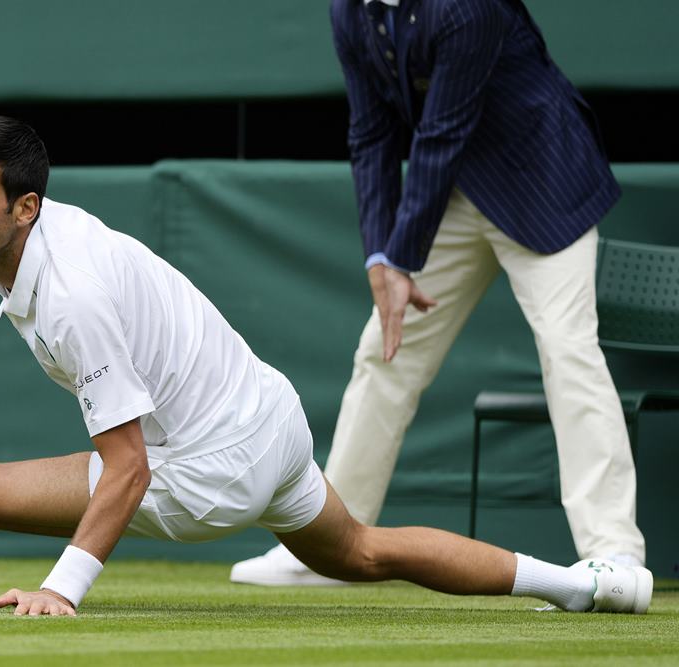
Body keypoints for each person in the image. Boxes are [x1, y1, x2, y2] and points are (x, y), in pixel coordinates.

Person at [0, 115, 651, 616]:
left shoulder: (72, 297)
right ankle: (592, 586)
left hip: (210, 461)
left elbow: (126, 470)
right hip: (267, 418)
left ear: (24, 208)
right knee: (368, 553)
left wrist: (66, 585)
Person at [231, 0, 646, 587]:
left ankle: (615, 552)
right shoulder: (350, 11)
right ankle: (328, 544)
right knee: (384, 351)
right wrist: (381, 258)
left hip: (544, 182)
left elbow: (441, 132)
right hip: (457, 191)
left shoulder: (467, 7)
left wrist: (401, 256)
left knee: (567, 349)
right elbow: (370, 131)